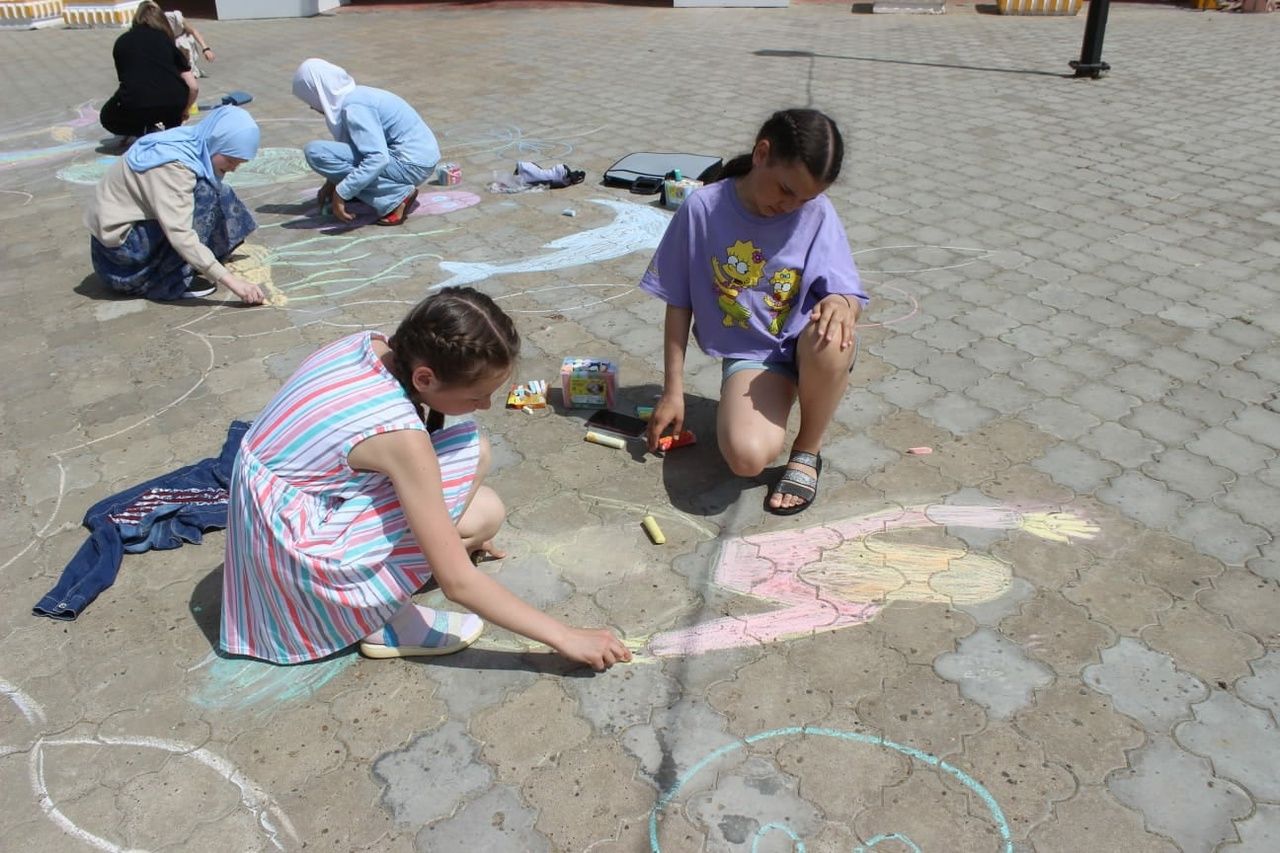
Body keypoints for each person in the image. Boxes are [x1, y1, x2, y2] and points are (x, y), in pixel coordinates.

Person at [219, 287, 632, 670]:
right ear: (425, 379)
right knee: (473, 462)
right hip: (294, 559)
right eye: (475, 396)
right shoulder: (400, 436)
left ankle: (385, 580)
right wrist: (566, 637)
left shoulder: (371, 345)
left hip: (273, 521)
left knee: (481, 511)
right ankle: (384, 618)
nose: (486, 405)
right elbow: (458, 583)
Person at [641, 108, 868, 516]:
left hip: (807, 342)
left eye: (806, 198)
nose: (792, 205)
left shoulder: (815, 213)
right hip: (756, 357)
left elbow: (847, 290)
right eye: (785, 190)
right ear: (762, 153)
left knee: (833, 337)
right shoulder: (703, 210)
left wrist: (841, 302)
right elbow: (679, 302)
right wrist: (673, 391)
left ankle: (808, 448)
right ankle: (790, 390)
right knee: (746, 459)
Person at [85, 105, 265, 304]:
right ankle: (170, 280)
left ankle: (197, 260)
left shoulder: (190, 141)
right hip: (123, 265)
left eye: (238, 163)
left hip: (123, 245)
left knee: (218, 190)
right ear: (217, 141)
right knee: (204, 192)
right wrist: (233, 282)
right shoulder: (174, 166)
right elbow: (180, 233)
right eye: (231, 160)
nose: (233, 168)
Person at [291, 58, 440, 227]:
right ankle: (380, 190)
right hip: (418, 160)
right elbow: (357, 147)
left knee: (316, 152)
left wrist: (342, 192)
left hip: (411, 165)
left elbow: (377, 157)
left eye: (309, 100)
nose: (311, 107)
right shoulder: (355, 96)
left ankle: (396, 196)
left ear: (319, 92)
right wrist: (332, 181)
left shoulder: (354, 106)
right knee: (337, 160)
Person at [100, 1, 197, 140]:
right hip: (173, 102)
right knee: (170, 113)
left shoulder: (122, 41)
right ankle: (172, 131)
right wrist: (184, 110)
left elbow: (126, 82)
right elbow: (193, 87)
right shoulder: (165, 41)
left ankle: (144, 129)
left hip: (138, 104)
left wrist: (132, 125)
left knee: (107, 116)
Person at [164, 8, 215, 78]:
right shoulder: (150, 25)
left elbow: (193, 31)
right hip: (169, 42)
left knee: (189, 65)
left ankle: (195, 72)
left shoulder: (173, 17)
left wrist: (206, 49)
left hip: (183, 40)